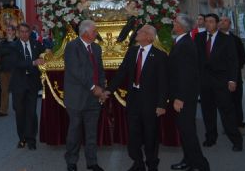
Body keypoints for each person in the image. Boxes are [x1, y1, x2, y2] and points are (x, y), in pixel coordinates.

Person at [106, 25, 168, 171]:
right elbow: (122, 73)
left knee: (150, 134)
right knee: (133, 134)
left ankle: (152, 164)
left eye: (140, 32)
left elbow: (164, 82)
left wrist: (161, 104)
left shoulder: (160, 56)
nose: (137, 33)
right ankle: (138, 162)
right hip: (134, 99)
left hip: (151, 101)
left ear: (149, 37)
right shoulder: (132, 51)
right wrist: (108, 90)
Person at [194, 13, 243, 151]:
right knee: (207, 112)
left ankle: (236, 140)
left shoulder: (226, 40)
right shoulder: (199, 38)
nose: (208, 24)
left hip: (221, 82)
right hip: (205, 83)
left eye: (211, 21)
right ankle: (210, 137)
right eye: (206, 21)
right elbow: (195, 59)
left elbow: (233, 61)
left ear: (217, 24)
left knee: (227, 112)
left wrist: (232, 80)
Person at [64, 20, 107, 171]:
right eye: (94, 31)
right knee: (75, 131)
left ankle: (92, 162)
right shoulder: (72, 47)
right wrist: (93, 87)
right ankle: (71, 161)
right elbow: (76, 71)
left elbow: (100, 70)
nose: (97, 33)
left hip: (94, 98)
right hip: (76, 98)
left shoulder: (96, 48)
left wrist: (102, 89)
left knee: (91, 132)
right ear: (86, 33)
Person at [169, 14, 210, 171]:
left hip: (184, 97)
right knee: (185, 132)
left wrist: (180, 98)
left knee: (188, 132)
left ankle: (201, 165)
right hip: (182, 96)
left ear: (181, 26)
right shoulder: (181, 41)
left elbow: (186, 75)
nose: (173, 23)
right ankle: (189, 160)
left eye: (175, 22)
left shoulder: (185, 45)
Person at [10, 23, 45, 150]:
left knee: (31, 112)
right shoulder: (13, 46)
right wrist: (33, 62)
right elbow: (16, 63)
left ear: (30, 32)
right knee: (20, 112)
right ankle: (22, 138)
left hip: (32, 83)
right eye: (22, 32)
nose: (24, 34)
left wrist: (46, 54)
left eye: (26, 31)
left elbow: (44, 52)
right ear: (18, 33)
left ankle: (31, 139)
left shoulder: (36, 44)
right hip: (19, 84)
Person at [218, 15, 245, 132]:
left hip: (235, 77)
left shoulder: (235, 40)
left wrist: (233, 69)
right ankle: (228, 126)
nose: (222, 23)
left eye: (225, 21)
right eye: (220, 20)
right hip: (220, 78)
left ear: (229, 24)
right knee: (225, 103)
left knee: (236, 101)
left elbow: (242, 58)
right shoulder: (215, 40)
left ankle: (239, 124)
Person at [0, 25, 17, 116]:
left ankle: (18, 108)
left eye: (9, 30)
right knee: (4, 91)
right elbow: (0, 52)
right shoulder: (2, 42)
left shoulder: (18, 41)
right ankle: (3, 110)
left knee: (16, 90)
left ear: (13, 32)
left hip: (15, 70)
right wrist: (10, 48)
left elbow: (17, 52)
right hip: (4, 69)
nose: (8, 32)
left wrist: (10, 46)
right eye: (7, 30)